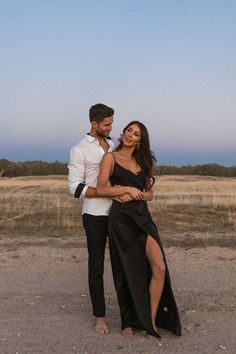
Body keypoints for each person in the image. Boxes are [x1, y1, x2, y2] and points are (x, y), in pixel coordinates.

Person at [96, 121, 181, 340]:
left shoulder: (143, 161)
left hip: (143, 219)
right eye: (128, 131)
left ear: (140, 141)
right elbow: (101, 188)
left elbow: (149, 193)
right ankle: (127, 321)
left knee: (159, 267)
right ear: (123, 133)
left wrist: (138, 194)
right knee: (124, 269)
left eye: (135, 134)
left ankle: (150, 321)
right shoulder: (110, 158)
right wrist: (124, 189)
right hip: (121, 220)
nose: (130, 135)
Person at [68, 103, 122, 334]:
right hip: (94, 215)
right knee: (96, 265)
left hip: (120, 213)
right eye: (107, 124)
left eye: (112, 123)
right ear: (94, 124)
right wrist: (105, 192)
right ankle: (100, 317)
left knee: (123, 264)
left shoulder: (114, 144)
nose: (110, 127)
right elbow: (74, 187)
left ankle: (129, 315)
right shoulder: (79, 149)